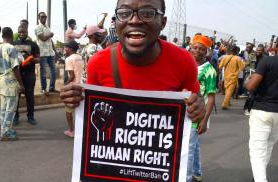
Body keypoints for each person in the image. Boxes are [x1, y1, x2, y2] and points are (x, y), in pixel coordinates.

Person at [60, 0, 205, 140]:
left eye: (148, 13)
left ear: (163, 22)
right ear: (116, 22)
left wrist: (198, 107)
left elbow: (197, 98)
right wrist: (75, 98)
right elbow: (92, 109)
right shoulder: (98, 63)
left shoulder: (184, 61)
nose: (135, 20)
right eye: (124, 13)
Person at [187, 35, 217, 182]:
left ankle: (185, 178)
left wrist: (204, 121)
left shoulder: (209, 70)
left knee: (187, 150)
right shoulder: (185, 64)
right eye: (195, 47)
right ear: (190, 47)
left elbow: (211, 97)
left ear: (206, 52)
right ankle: (197, 172)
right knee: (194, 145)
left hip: (197, 116)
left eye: (201, 49)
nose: (197, 51)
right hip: (182, 113)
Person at [245, 55, 278, 182]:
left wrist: (247, 82)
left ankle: (260, 178)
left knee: (257, 150)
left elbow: (251, 86)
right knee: (269, 145)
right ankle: (259, 174)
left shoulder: (267, 61)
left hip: (262, 110)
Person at [0, 27, 25, 141]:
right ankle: (5, 133)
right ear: (11, 36)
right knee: (10, 109)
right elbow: (15, 68)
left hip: (1, 79)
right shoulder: (11, 48)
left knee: (3, 107)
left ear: (3, 35)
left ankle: (5, 129)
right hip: (10, 80)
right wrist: (21, 84)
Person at [13, 25, 40, 125]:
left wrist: (31, 60)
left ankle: (31, 116)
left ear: (27, 32)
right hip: (17, 74)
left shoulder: (33, 44)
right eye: (20, 32)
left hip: (29, 74)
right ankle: (15, 116)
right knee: (16, 96)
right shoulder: (13, 44)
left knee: (30, 96)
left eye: (23, 32)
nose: (21, 34)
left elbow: (38, 59)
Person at [63, 40, 83, 138]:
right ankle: (82, 130)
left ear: (70, 49)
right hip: (83, 86)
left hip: (74, 87)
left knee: (69, 111)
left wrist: (64, 87)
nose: (64, 49)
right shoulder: (80, 57)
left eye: (65, 47)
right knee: (80, 110)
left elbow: (71, 76)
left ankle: (72, 131)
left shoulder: (69, 59)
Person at [35, 12, 58, 95]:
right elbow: (43, 38)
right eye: (42, 17)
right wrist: (50, 34)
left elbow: (50, 40)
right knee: (43, 72)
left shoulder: (47, 27)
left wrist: (55, 51)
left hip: (50, 52)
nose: (44, 18)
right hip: (42, 53)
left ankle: (52, 88)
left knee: (54, 70)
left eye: (45, 17)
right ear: (39, 18)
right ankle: (43, 89)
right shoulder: (37, 28)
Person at [219, 45, 246, 109]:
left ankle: (228, 102)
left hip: (226, 76)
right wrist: (245, 63)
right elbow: (242, 67)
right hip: (233, 77)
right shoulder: (238, 58)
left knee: (227, 90)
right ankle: (224, 104)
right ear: (236, 51)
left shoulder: (225, 57)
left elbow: (220, 66)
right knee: (229, 91)